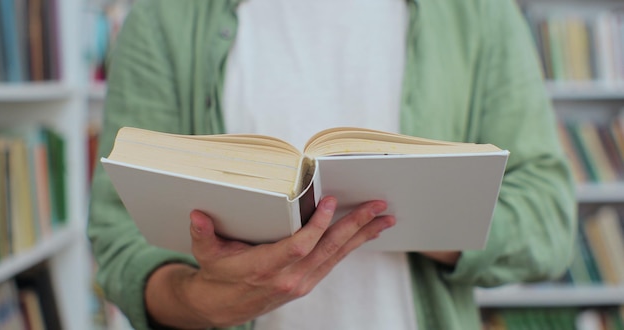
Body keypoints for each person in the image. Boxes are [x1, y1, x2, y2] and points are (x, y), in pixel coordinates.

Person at [87, 0, 577, 329]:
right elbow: (118, 238)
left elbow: (548, 220)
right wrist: (200, 300)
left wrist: (409, 210)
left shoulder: (478, 13)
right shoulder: (163, 16)